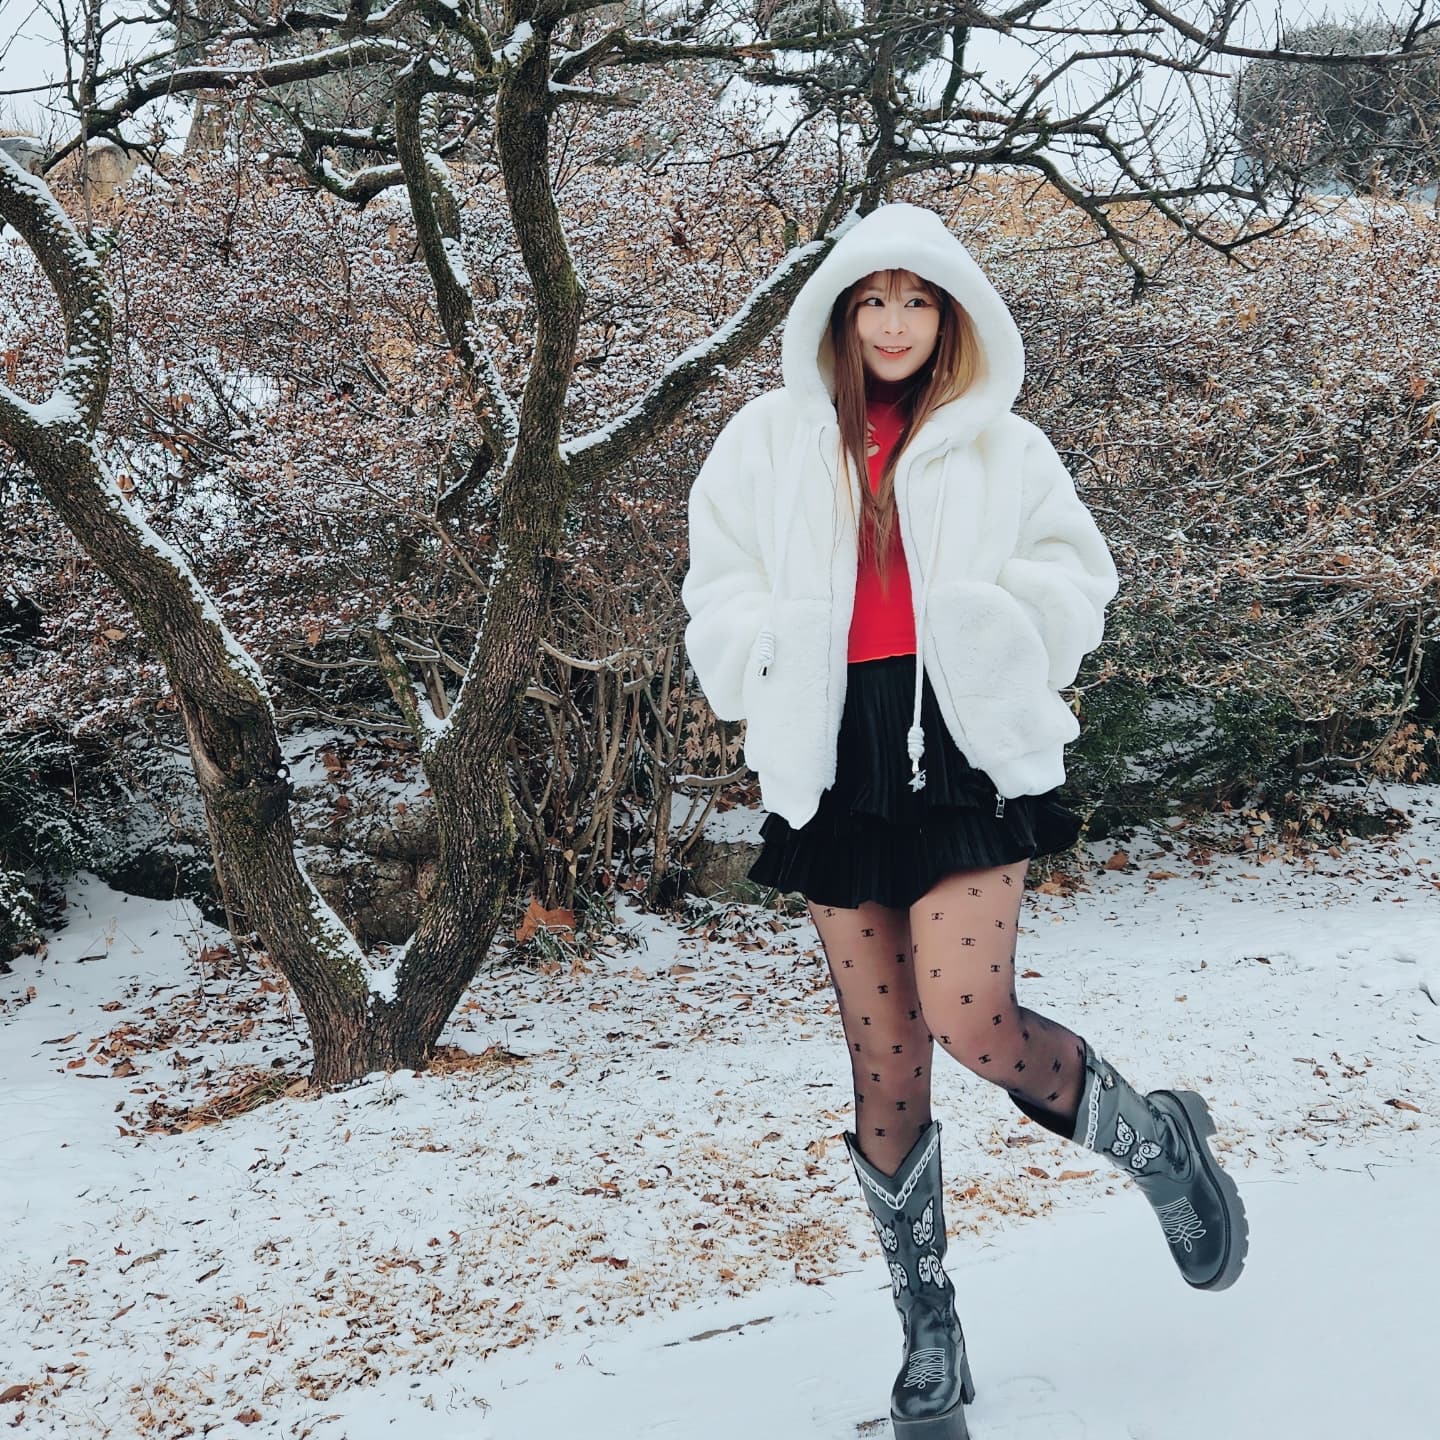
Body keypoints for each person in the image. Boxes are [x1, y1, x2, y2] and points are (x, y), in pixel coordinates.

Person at [680, 202, 1248, 1440]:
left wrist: (997, 628)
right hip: (833, 760)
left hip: (964, 754)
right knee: (883, 1061)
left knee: (969, 1016)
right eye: (873, 301)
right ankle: (928, 1330)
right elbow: (716, 590)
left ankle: (1155, 1143)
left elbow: (1076, 577)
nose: (893, 323)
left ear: (951, 316)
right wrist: (767, 650)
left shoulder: (1003, 443)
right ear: (840, 314)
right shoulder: (768, 441)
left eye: (918, 301)